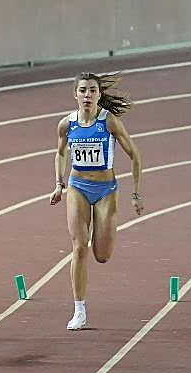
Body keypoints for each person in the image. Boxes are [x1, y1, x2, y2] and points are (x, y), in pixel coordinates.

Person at [49, 73, 144, 331]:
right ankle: (79, 309)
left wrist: (136, 194)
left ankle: (102, 229)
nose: (87, 95)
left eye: (92, 90)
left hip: (105, 190)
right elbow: (60, 153)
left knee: (102, 255)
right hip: (77, 187)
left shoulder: (109, 121)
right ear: (75, 95)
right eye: (83, 90)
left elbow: (135, 155)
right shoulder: (66, 124)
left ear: (99, 95)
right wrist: (59, 184)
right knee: (79, 247)